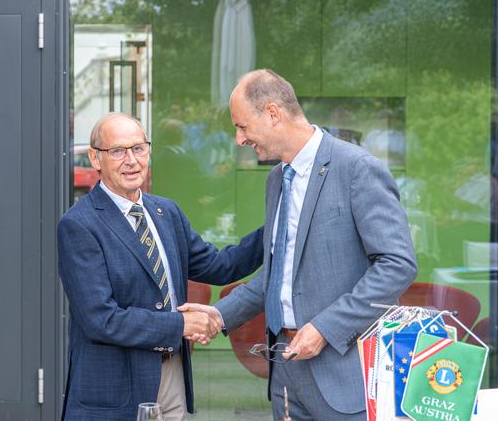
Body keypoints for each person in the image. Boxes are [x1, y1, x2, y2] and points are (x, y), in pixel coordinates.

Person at [179, 70, 417, 420]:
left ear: (273, 114)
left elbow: (397, 265)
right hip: (286, 375)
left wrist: (325, 328)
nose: (238, 139)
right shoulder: (277, 178)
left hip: (344, 376)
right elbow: (279, 275)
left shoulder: (357, 168)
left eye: (242, 126)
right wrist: (219, 314)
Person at [57, 112, 263, 421]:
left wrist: (277, 226)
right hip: (118, 389)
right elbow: (100, 318)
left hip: (172, 376)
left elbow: (220, 266)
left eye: (138, 148)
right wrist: (181, 326)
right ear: (95, 158)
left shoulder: (165, 212)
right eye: (118, 151)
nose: (131, 160)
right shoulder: (79, 225)